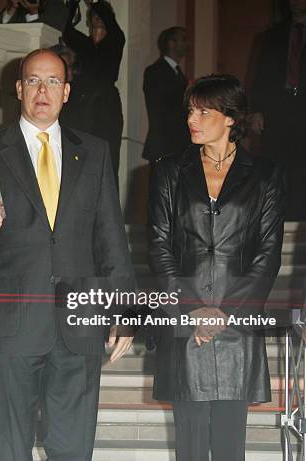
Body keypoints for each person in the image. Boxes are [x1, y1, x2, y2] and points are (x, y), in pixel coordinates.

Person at [0, 49, 135, 461]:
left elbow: (110, 238)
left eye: (53, 81)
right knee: (11, 449)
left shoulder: (94, 151)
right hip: (11, 323)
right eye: (33, 80)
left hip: (79, 322)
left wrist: (123, 311)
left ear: (67, 92)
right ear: (18, 88)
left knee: (72, 448)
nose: (42, 90)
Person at [148, 74, 284, 461]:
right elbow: (159, 246)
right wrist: (194, 309)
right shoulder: (168, 170)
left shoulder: (265, 174)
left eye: (203, 110)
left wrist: (225, 313)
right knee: (189, 446)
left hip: (237, 322)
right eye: (190, 110)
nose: (192, 118)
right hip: (184, 318)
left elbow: (268, 252)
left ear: (229, 118)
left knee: (229, 446)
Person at [251, 0, 306, 220]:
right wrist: (256, 110)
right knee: (276, 167)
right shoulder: (273, 36)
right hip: (277, 111)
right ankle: (279, 219)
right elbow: (261, 75)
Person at [61, 0, 125, 181]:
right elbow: (67, 31)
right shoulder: (84, 44)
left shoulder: (115, 40)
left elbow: (108, 19)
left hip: (106, 106)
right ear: (88, 20)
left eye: (100, 15)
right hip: (81, 106)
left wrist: (94, 3)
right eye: (94, 15)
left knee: (108, 160)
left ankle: (108, 207)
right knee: (80, 159)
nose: (97, 18)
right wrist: (73, 4)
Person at [142, 26, 191, 163]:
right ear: (171, 43)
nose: (188, 44)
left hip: (177, 143)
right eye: (184, 39)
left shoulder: (178, 74)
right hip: (165, 144)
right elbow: (161, 107)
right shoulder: (155, 71)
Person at [0, 0, 68, 31]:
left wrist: (33, 12)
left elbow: (50, 34)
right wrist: (12, 8)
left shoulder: (55, 5)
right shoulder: (20, 4)